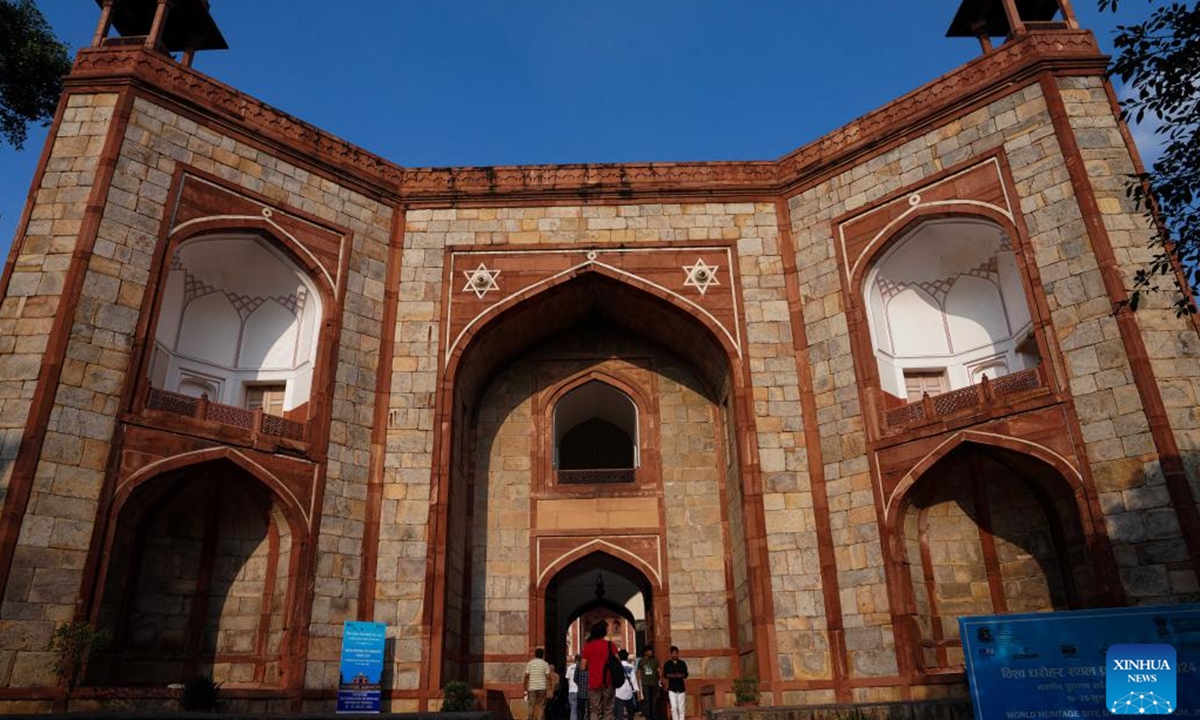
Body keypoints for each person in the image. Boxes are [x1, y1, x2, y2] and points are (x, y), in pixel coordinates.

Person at [580, 621, 616, 720]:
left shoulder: (588, 647)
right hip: (608, 681)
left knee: (594, 710)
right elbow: (618, 662)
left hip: (593, 682)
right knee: (608, 709)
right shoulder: (610, 645)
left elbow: (583, 667)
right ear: (604, 632)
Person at [525, 647, 552, 720]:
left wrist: (525, 687)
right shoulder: (545, 664)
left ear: (535, 655)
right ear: (543, 655)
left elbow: (526, 676)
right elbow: (548, 677)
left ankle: (530, 718)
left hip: (532, 687)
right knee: (541, 706)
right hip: (542, 687)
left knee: (531, 705)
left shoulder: (530, 663)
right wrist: (550, 688)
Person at [662, 646, 688, 720]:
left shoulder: (682, 663)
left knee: (681, 708)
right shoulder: (668, 664)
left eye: (676, 653)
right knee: (673, 707)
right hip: (672, 688)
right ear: (671, 654)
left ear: (678, 654)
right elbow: (665, 675)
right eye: (673, 653)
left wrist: (680, 675)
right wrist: (673, 675)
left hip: (681, 688)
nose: (675, 655)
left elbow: (685, 674)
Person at [636, 646, 660, 720]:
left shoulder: (655, 660)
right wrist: (638, 683)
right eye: (649, 651)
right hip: (645, 683)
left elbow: (659, 670)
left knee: (654, 701)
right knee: (647, 700)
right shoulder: (641, 661)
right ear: (645, 652)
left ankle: (654, 716)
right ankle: (648, 717)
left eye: (651, 650)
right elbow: (639, 672)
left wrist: (660, 679)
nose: (651, 652)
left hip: (654, 683)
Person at [615, 649, 637, 720]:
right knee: (630, 711)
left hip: (618, 691)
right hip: (629, 691)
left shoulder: (616, 666)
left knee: (619, 712)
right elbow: (633, 679)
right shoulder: (631, 667)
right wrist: (636, 689)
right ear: (627, 657)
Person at [566, 654, 582, 720]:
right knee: (580, 709)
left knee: (573, 709)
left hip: (572, 690)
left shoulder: (570, 667)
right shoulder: (582, 667)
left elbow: (567, 679)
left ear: (575, 660)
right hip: (580, 691)